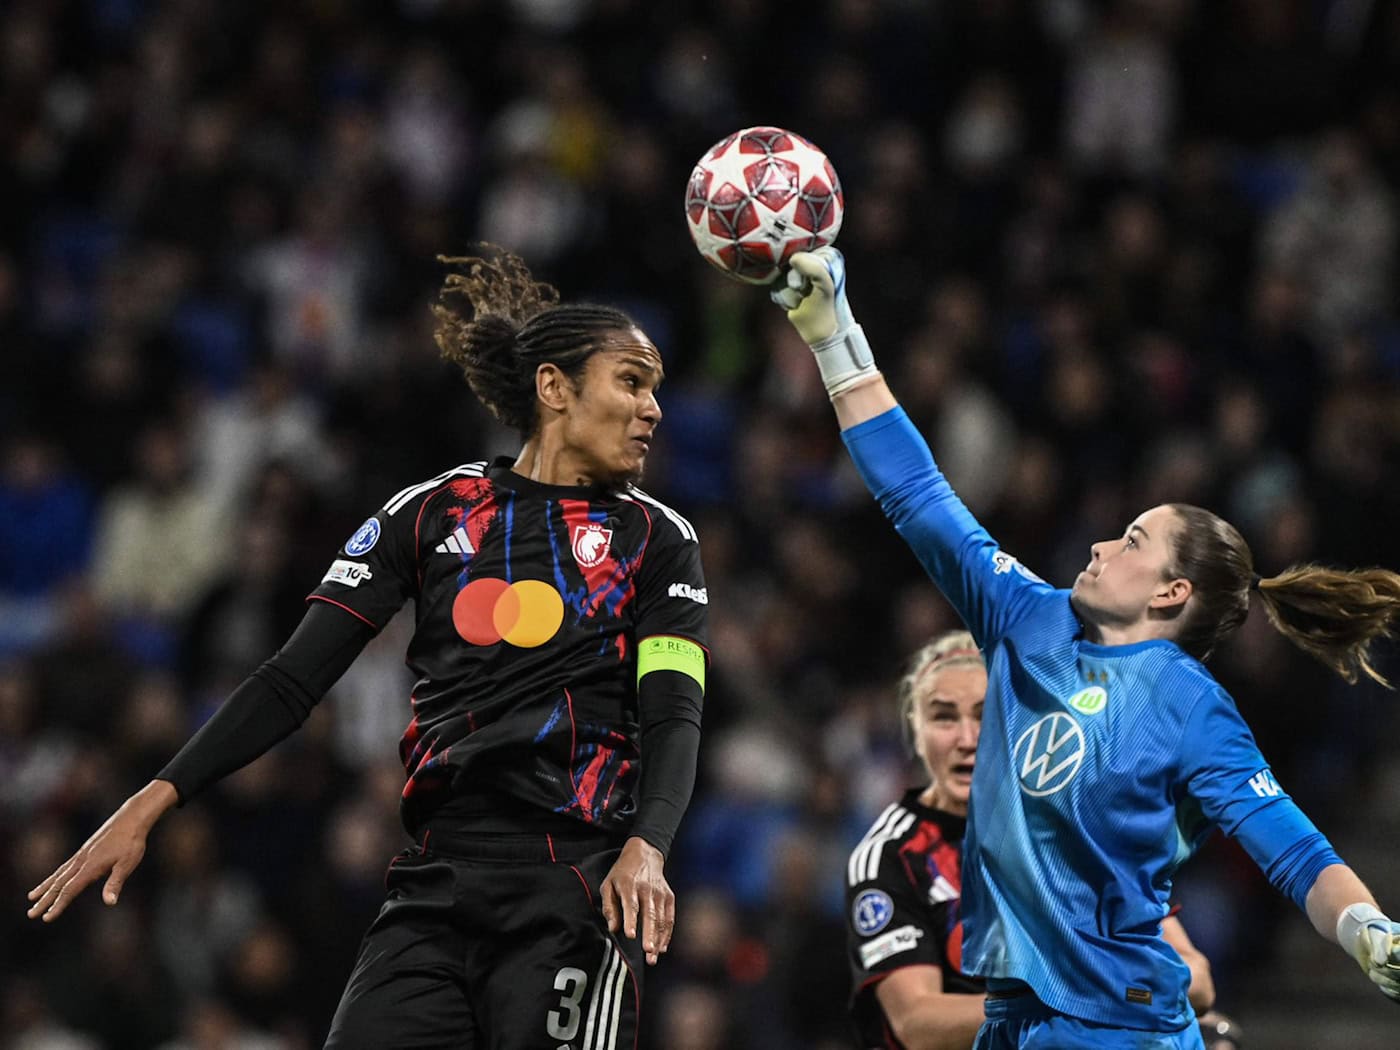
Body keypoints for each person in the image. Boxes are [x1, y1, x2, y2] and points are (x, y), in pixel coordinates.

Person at [27, 246, 711, 1050]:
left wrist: (648, 849)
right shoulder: (429, 514)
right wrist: (154, 798)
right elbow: (291, 680)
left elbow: (674, 715)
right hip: (437, 881)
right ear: (553, 387)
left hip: (573, 886)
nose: (653, 409)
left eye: (655, 388)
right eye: (631, 380)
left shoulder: (658, 541)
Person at [777, 247, 1400, 1047]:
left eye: (1135, 539)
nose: (1104, 544)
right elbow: (919, 496)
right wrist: (834, 337)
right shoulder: (1027, 617)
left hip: (1117, 1026)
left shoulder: (1187, 704)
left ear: (1171, 594)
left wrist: (1365, 930)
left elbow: (1290, 848)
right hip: (1014, 1019)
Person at [846, 631, 1216, 1050]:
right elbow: (917, 1023)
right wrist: (1079, 999)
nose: (967, 739)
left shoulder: (1077, 829)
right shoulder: (889, 857)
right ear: (915, 730)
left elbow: (1197, 978)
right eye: (944, 717)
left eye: (986, 714)